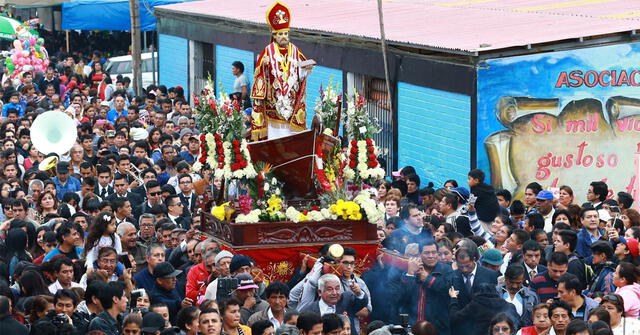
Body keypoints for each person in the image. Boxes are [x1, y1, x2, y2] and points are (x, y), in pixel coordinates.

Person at [250, 1, 314, 140]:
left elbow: (300, 75)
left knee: (293, 141)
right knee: (276, 140)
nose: (284, 36)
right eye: (280, 34)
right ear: (274, 35)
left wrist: (305, 69)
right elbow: (258, 75)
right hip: (274, 105)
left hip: (291, 104)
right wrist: (264, 66)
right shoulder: (268, 51)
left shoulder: (295, 50)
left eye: (286, 33)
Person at [396, 240, 453, 334]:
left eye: (434, 252)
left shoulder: (446, 270)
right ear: (419, 255)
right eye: (426, 253)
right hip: (413, 326)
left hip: (438, 328)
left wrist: (428, 279)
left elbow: (447, 290)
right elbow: (401, 298)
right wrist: (410, 274)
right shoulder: (411, 270)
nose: (431, 256)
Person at [449, 282, 519, 335]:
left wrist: (453, 298)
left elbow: (454, 318)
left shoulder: (475, 305)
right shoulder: (509, 306)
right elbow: (518, 325)